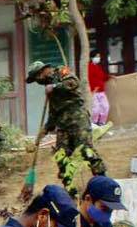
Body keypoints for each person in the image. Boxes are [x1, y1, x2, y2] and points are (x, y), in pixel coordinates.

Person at [26, 61, 106, 192]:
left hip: (78, 120)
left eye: (37, 77)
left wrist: (55, 86)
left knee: (86, 151)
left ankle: (103, 182)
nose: (38, 81)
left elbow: (73, 83)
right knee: (61, 156)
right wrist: (43, 133)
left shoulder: (62, 71)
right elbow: (53, 113)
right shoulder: (48, 88)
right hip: (63, 125)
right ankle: (70, 190)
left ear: (43, 71)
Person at [87, 52, 109, 126]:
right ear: (92, 57)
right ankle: (94, 123)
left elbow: (102, 77)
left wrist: (109, 77)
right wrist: (93, 88)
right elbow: (89, 79)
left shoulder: (98, 67)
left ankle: (102, 123)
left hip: (101, 91)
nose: (98, 58)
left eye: (99, 56)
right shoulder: (89, 67)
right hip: (94, 91)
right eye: (97, 56)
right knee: (96, 109)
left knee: (106, 107)